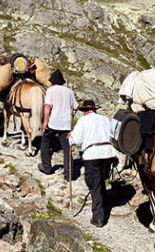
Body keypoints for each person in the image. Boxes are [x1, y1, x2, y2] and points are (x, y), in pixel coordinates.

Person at [69, 100, 118, 228]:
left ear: (84, 111)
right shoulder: (105, 119)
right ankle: (104, 201)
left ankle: (98, 217)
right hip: (108, 153)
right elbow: (113, 135)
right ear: (95, 109)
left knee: (93, 183)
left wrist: (70, 137)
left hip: (93, 154)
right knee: (101, 179)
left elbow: (76, 139)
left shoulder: (83, 121)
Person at [38, 69, 78, 180]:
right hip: (65, 123)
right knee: (66, 147)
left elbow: (47, 106)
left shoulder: (51, 90)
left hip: (54, 122)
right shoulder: (69, 91)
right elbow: (75, 106)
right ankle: (68, 173)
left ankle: (47, 167)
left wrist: (45, 121)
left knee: (45, 142)